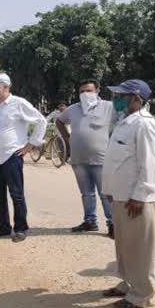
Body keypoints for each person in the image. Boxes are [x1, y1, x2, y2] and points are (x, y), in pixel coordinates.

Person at [101, 79, 155, 308]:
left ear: (137, 99)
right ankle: (128, 283)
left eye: (121, 96)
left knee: (140, 248)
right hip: (121, 195)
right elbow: (117, 161)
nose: (116, 100)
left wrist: (140, 195)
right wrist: (110, 189)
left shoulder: (145, 124)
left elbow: (150, 164)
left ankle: (142, 294)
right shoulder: (125, 121)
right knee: (124, 245)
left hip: (137, 198)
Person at [0, 73, 47, 242]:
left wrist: (32, 143)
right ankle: (3, 227)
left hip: (11, 155)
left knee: (16, 194)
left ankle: (20, 228)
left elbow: (41, 121)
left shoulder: (18, 103)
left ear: (5, 87)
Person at [56, 79, 116, 238]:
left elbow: (123, 123)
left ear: (97, 91)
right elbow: (60, 121)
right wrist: (67, 138)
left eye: (89, 90)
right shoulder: (73, 109)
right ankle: (90, 221)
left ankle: (113, 224)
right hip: (78, 159)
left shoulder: (109, 107)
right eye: (82, 91)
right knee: (86, 193)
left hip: (102, 159)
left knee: (106, 193)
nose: (85, 94)